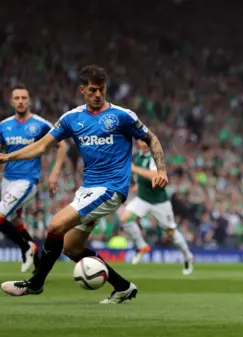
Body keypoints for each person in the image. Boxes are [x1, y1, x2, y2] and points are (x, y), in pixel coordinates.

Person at [0, 65, 169, 304]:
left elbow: (151, 138)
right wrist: (8, 157)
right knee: (72, 249)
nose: (98, 94)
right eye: (92, 90)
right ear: (82, 90)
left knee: (56, 224)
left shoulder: (122, 116)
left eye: (101, 89)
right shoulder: (71, 118)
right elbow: (41, 146)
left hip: (110, 188)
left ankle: (35, 283)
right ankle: (123, 287)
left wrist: (161, 169)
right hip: (88, 189)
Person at [0, 86, 68, 273]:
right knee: (15, 223)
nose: (21, 101)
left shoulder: (40, 124)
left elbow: (62, 145)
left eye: (24, 97)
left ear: (29, 101)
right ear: (11, 101)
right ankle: (38, 267)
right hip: (7, 180)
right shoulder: (4, 126)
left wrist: (54, 174)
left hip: (27, 181)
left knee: (0, 216)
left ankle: (26, 248)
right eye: (17, 98)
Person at [120, 139, 194, 275]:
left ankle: (187, 255)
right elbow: (140, 175)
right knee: (125, 219)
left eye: (144, 139)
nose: (141, 140)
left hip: (159, 202)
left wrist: (135, 169)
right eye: (141, 138)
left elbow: (155, 175)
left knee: (170, 233)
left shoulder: (155, 156)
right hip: (143, 199)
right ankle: (142, 246)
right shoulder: (137, 156)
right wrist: (138, 184)